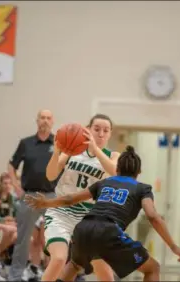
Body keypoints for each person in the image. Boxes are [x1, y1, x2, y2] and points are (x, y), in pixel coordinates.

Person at [25, 146, 180, 281]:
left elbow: (70, 199)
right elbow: (152, 216)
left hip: (83, 228)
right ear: (139, 171)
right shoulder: (142, 188)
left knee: (75, 265)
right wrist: (174, 246)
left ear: (116, 169)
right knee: (152, 268)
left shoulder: (105, 182)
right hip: (109, 231)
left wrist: (46, 203)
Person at [42, 114, 120, 281]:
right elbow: (50, 175)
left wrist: (95, 149)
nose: (100, 134)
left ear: (110, 134)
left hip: (90, 217)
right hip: (61, 211)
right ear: (88, 130)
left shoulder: (113, 156)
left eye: (105, 130)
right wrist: (57, 152)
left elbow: (115, 172)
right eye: (96, 129)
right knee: (59, 259)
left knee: (105, 272)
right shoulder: (73, 151)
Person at [8, 109, 57, 281]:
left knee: (56, 238)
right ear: (37, 121)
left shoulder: (59, 142)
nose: (45, 121)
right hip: (29, 195)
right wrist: (16, 186)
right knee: (23, 238)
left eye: (48, 118)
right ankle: (15, 275)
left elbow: (68, 168)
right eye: (42, 117)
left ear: (53, 121)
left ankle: (55, 275)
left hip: (52, 196)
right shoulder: (26, 143)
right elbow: (11, 165)